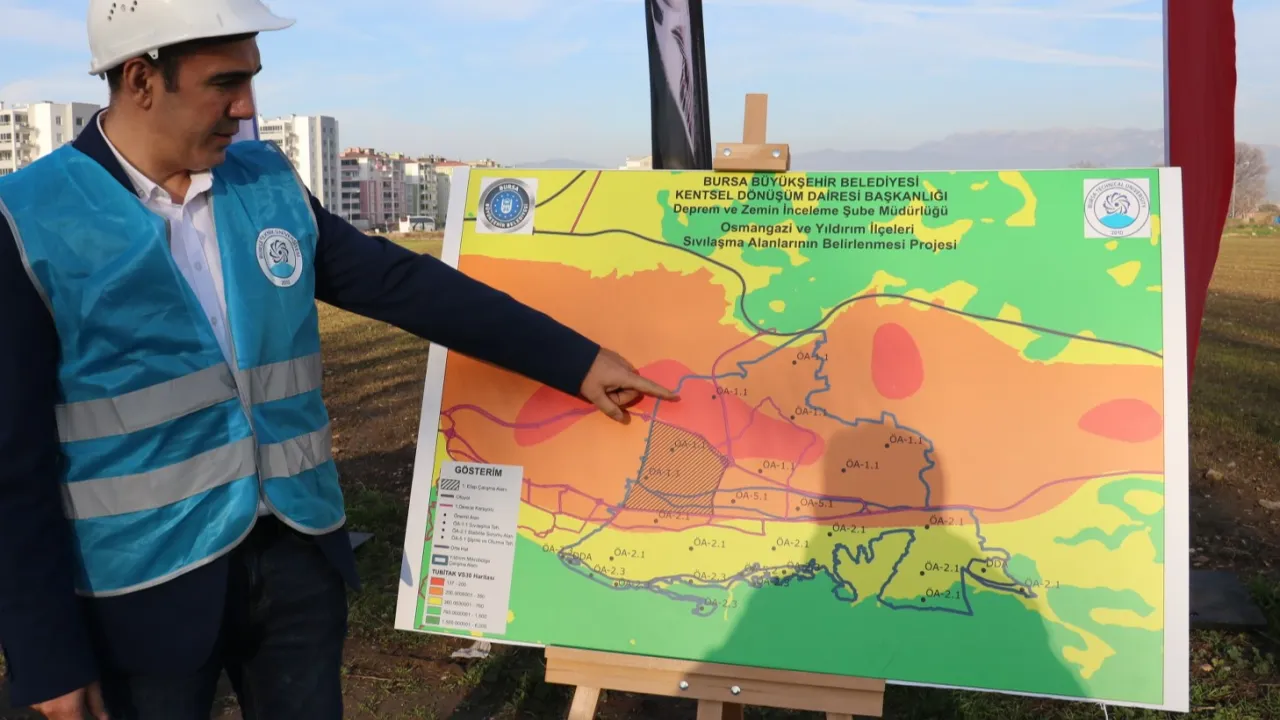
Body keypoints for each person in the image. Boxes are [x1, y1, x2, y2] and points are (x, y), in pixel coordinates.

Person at [0, 1, 677, 718]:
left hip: (296, 560)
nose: (247, 106)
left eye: (252, 78)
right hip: (139, 590)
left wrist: (575, 361)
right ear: (141, 79)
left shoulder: (264, 181)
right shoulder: (29, 218)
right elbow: (13, 462)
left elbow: (401, 283)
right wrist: (47, 656)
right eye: (225, 82)